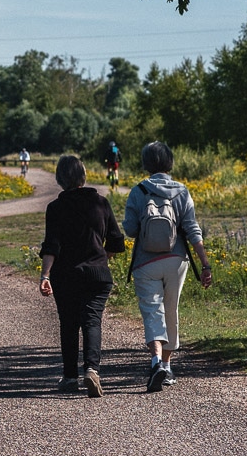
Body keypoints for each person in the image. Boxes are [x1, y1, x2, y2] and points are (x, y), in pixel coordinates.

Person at [123, 141, 212, 392]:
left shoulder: (138, 191)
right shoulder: (182, 191)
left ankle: (155, 363)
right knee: (170, 310)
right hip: (176, 261)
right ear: (170, 162)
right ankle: (168, 366)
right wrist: (205, 264)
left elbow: (130, 230)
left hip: (145, 261)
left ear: (146, 164)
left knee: (153, 312)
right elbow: (192, 230)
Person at [39, 154, 125, 397]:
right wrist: (100, 257)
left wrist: (45, 276)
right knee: (91, 320)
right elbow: (117, 242)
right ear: (83, 176)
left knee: (68, 324)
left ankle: (69, 377)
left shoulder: (55, 208)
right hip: (98, 275)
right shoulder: (101, 203)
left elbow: (52, 246)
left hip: (65, 276)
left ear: (59, 179)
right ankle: (92, 370)